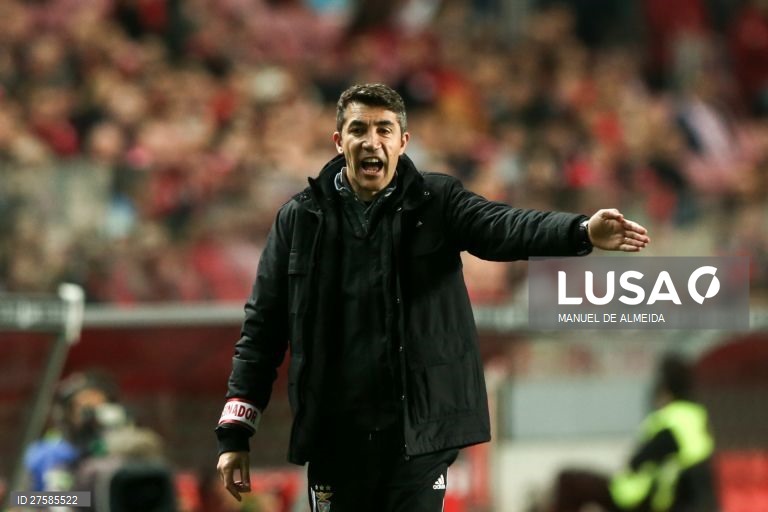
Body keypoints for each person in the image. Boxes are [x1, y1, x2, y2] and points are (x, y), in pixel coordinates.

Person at [215, 83, 650, 512]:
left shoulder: (436, 202)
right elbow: (263, 329)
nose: (372, 142)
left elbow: (503, 226)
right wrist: (236, 432)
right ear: (339, 140)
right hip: (335, 439)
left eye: (384, 130)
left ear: (403, 142)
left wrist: (579, 231)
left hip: (416, 442)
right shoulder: (299, 220)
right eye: (359, 129)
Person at [549, 353, 719, 512]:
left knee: (569, 480)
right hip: (667, 498)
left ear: (666, 389)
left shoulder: (673, 418)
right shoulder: (695, 416)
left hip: (642, 499)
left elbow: (638, 461)